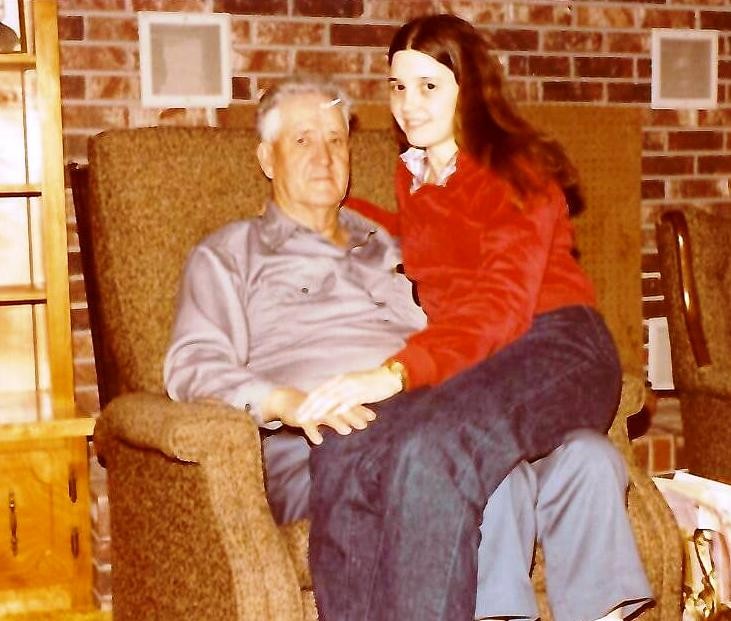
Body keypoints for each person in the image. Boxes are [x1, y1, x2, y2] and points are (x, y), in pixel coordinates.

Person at [163, 76, 650, 621]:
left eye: (336, 140)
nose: (324, 156)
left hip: (435, 413)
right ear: (265, 158)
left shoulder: (396, 240)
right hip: (326, 441)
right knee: (482, 472)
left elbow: (484, 313)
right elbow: (192, 364)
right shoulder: (230, 255)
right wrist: (286, 403)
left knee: (588, 457)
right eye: (302, 140)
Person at [294, 15, 653, 621]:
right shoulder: (416, 175)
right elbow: (435, 243)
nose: (409, 104)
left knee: (433, 451)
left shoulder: (518, 170)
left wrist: (393, 373)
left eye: (428, 86)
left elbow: (498, 305)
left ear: (471, 88)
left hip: (559, 349)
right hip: (483, 358)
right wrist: (327, 205)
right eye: (397, 86)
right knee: (342, 442)